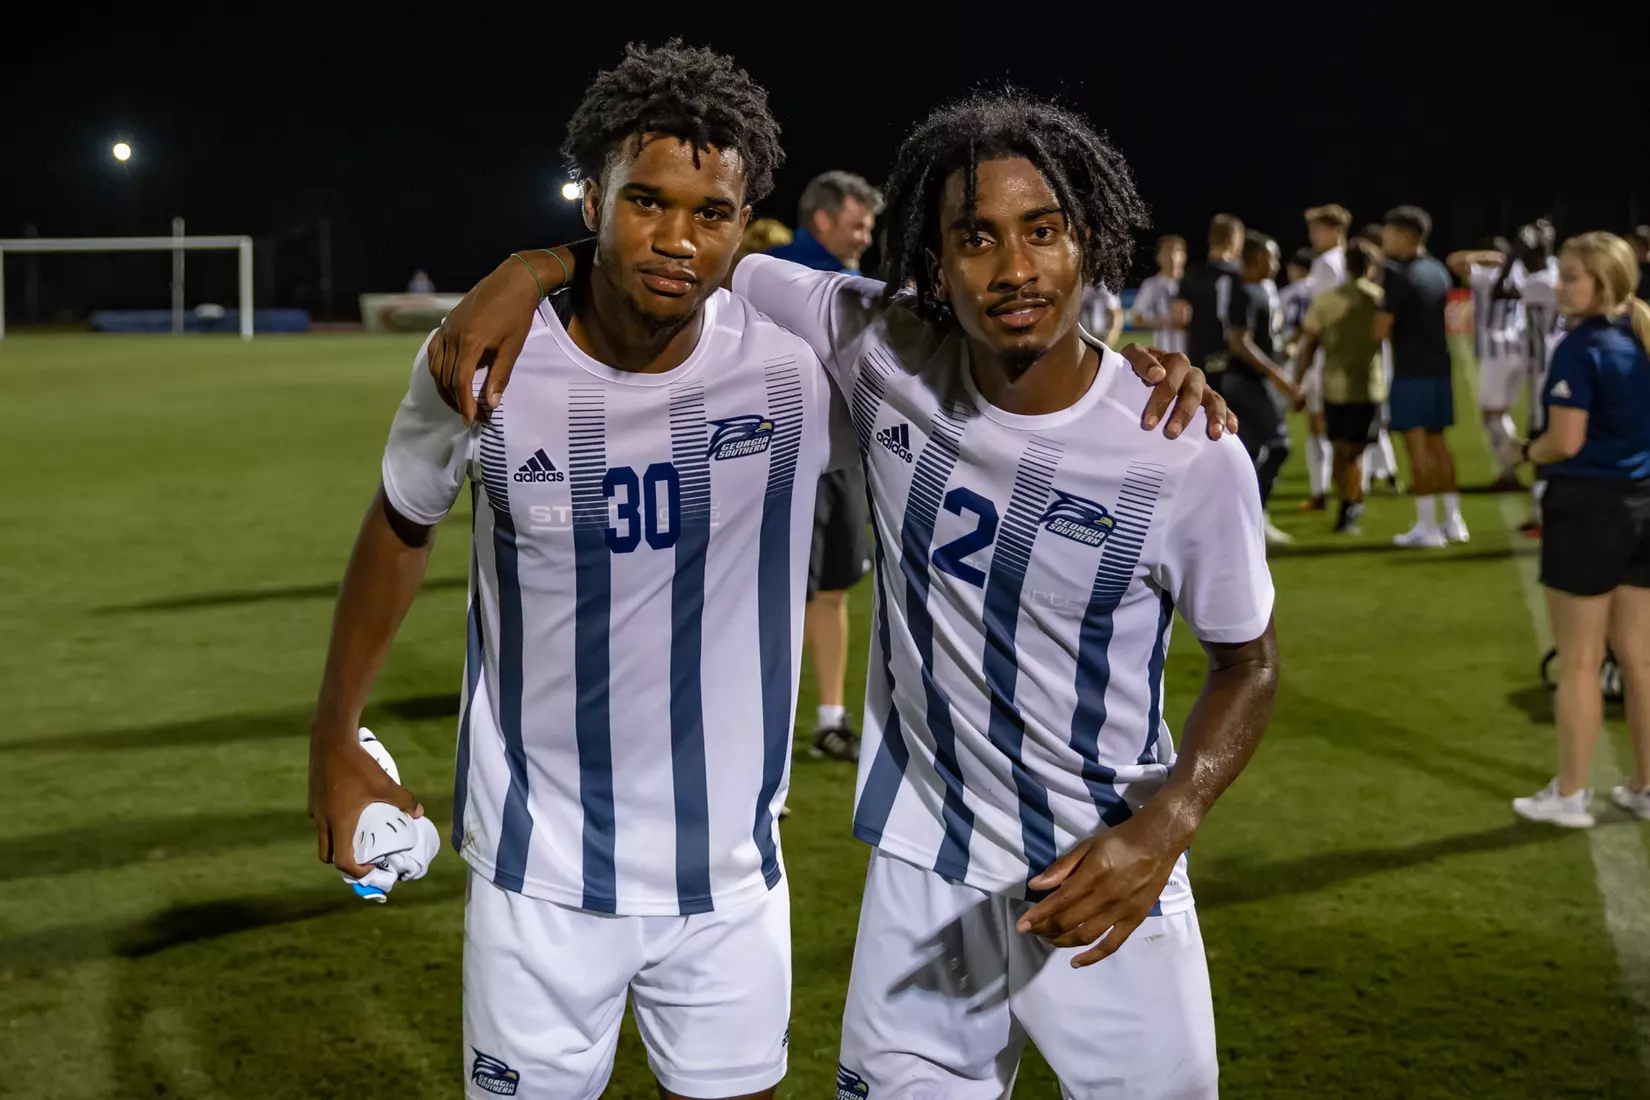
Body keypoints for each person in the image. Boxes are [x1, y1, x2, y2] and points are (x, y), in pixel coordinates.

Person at [431, 90, 1274, 1100]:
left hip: (1103, 874)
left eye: (1042, 232)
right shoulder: (880, 344)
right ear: (927, 257)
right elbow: (690, 248)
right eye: (976, 238)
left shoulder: (1183, 448)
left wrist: (1166, 823)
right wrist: (531, 267)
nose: (1014, 268)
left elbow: (1249, 662)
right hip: (922, 868)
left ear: (1087, 238)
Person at [309, 43, 817, 1100]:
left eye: (710, 212)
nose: (677, 239)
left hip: (727, 875)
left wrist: (1145, 369)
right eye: (646, 201)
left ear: (743, 220)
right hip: (534, 872)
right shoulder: (485, 358)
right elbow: (403, 523)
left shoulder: (791, 359)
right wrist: (331, 735)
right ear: (593, 198)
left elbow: (986, 352)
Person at [1505, 232, 1650, 828]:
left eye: (1572, 278)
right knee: (1639, 660)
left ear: (1605, 282)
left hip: (1589, 509)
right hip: (1642, 504)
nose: (1560, 287)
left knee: (1582, 662)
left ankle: (1570, 795)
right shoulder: (1640, 336)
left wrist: (1524, 451)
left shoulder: (1579, 347)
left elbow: (1564, 441)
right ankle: (1644, 787)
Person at [766, 171, 886, 759]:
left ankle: (830, 720)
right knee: (776, 599)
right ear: (822, 219)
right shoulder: (773, 274)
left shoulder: (859, 281)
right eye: (856, 222)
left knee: (836, 587)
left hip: (846, 463)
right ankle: (763, 740)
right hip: (785, 462)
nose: (866, 234)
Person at [1379, 205, 1469, 547]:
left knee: (1416, 446)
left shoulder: (1397, 274)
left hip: (1411, 369)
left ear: (1404, 235)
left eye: (1388, 232)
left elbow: (1381, 328)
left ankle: (1428, 527)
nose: (1384, 239)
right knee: (1438, 444)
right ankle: (1454, 520)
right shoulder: (1437, 270)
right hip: (1439, 367)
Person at [1294, 238, 1387, 534]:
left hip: (1333, 385)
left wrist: (1298, 382)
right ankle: (1350, 506)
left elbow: (1309, 343)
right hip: (1368, 385)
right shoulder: (1379, 298)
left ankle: (1346, 503)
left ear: (1346, 266)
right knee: (1356, 452)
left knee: (1337, 448)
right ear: (1370, 268)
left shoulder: (1327, 300)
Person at [1224, 232, 1297, 540]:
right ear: (1255, 258)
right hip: (1244, 380)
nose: (1277, 264)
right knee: (1278, 445)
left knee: (1251, 451)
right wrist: (1277, 374)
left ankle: (1243, 519)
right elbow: (1240, 342)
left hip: (1254, 379)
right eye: (1272, 256)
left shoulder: (1265, 289)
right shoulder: (1240, 290)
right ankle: (1255, 519)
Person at [1448, 234, 1533, 492]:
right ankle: (1511, 465)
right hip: (1519, 347)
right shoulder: (1520, 272)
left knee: (1492, 416)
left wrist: (1484, 257)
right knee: (1498, 413)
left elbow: (1455, 261)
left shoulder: (1488, 275)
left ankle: (1513, 462)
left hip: (1497, 351)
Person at [1175, 213, 1245, 374]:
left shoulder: (1193, 273)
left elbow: (1179, 317)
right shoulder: (1241, 274)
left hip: (1200, 349)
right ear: (1234, 239)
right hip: (1235, 351)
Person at [1130, 234, 1188, 354]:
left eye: (1176, 250)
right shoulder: (1151, 285)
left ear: (1184, 256)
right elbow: (1136, 318)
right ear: (1158, 256)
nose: (1171, 255)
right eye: (1167, 250)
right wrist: (1160, 322)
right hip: (1162, 353)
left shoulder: (1192, 283)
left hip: (1191, 353)